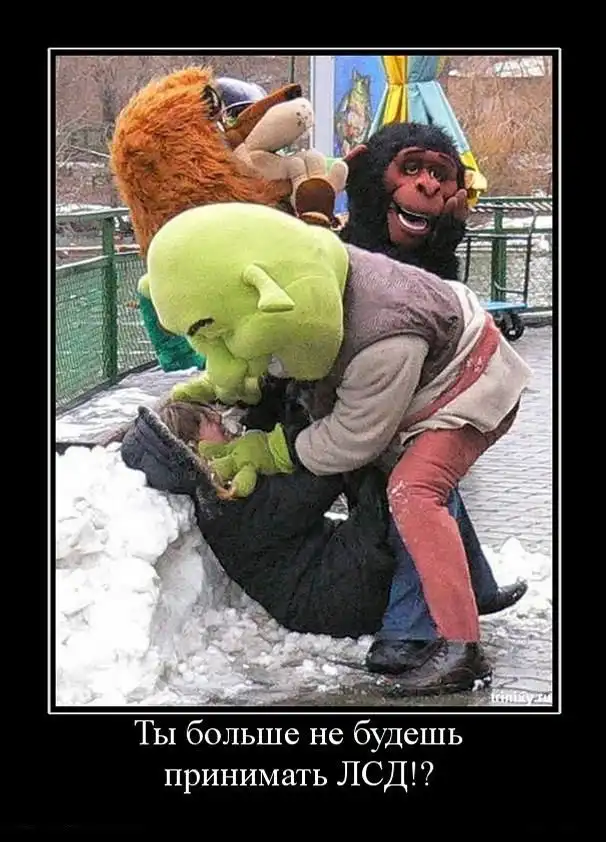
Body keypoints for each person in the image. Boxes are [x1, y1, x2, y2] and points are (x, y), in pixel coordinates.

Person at [138, 202, 533, 696]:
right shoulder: (308, 296)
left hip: (468, 379)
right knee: (411, 481)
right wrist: (241, 394)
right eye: (211, 424)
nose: (223, 421)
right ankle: (471, 594)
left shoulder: (383, 335)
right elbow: (293, 387)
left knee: (414, 489)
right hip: (328, 580)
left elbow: (352, 440)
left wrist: (271, 450)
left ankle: (457, 648)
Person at [120, 399, 527, 663]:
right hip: (329, 598)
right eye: (208, 422)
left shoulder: (223, 485)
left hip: (330, 577)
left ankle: (476, 590)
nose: (221, 423)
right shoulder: (229, 499)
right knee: (413, 493)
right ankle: (403, 632)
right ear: (194, 445)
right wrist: (328, 431)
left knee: (425, 486)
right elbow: (316, 484)